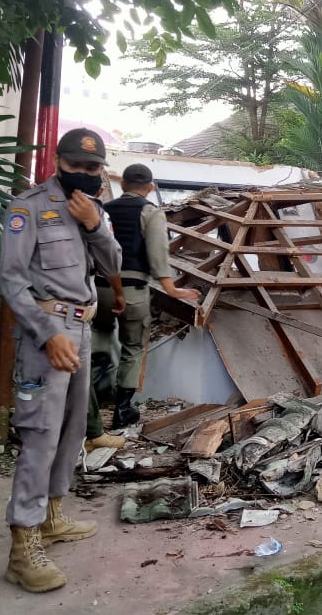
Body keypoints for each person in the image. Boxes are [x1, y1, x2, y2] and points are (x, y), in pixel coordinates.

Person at [0, 128, 122, 593]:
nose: (85, 175)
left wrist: (93, 223)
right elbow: (12, 282)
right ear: (58, 161)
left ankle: (51, 517)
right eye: (77, 167)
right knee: (41, 435)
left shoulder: (94, 209)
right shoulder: (27, 208)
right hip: (46, 333)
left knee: (72, 430)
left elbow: (114, 263)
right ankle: (21, 547)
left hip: (83, 327)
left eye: (93, 169)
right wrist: (49, 334)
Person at [88, 164, 200, 439]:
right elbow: (157, 251)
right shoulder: (151, 212)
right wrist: (171, 288)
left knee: (99, 331)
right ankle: (123, 410)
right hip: (133, 289)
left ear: (123, 184)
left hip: (99, 287)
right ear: (150, 187)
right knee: (134, 346)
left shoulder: (102, 209)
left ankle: (98, 376)